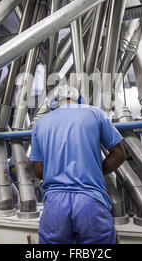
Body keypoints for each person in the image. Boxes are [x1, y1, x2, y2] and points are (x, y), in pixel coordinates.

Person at [30, 85, 126, 244]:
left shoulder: (40, 124)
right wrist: (95, 171)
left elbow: (38, 170)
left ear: (54, 102)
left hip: (55, 205)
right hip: (91, 201)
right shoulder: (96, 114)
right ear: (79, 99)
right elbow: (119, 154)